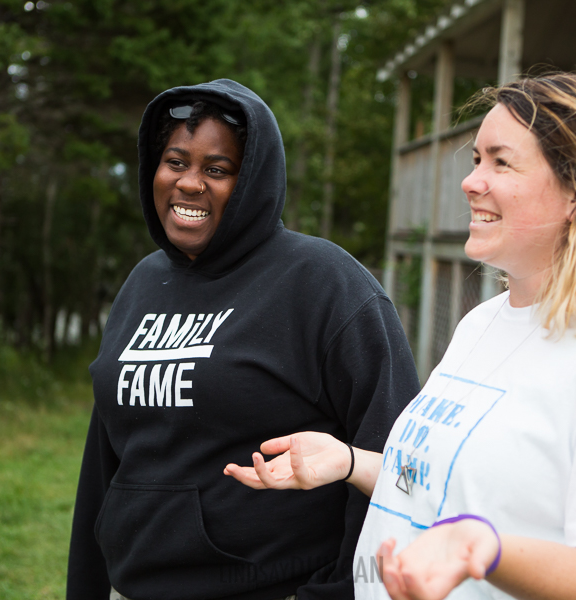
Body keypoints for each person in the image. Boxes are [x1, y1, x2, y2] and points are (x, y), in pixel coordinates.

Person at [224, 73, 576, 600]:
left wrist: (483, 548)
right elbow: (449, 485)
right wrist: (350, 462)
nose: (471, 181)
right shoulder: (483, 323)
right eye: (477, 159)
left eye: (501, 162)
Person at [66, 79, 421, 600]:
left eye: (217, 169)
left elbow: (396, 464)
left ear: (253, 180)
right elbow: (105, 460)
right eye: (175, 162)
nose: (189, 183)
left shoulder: (323, 282)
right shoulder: (143, 282)